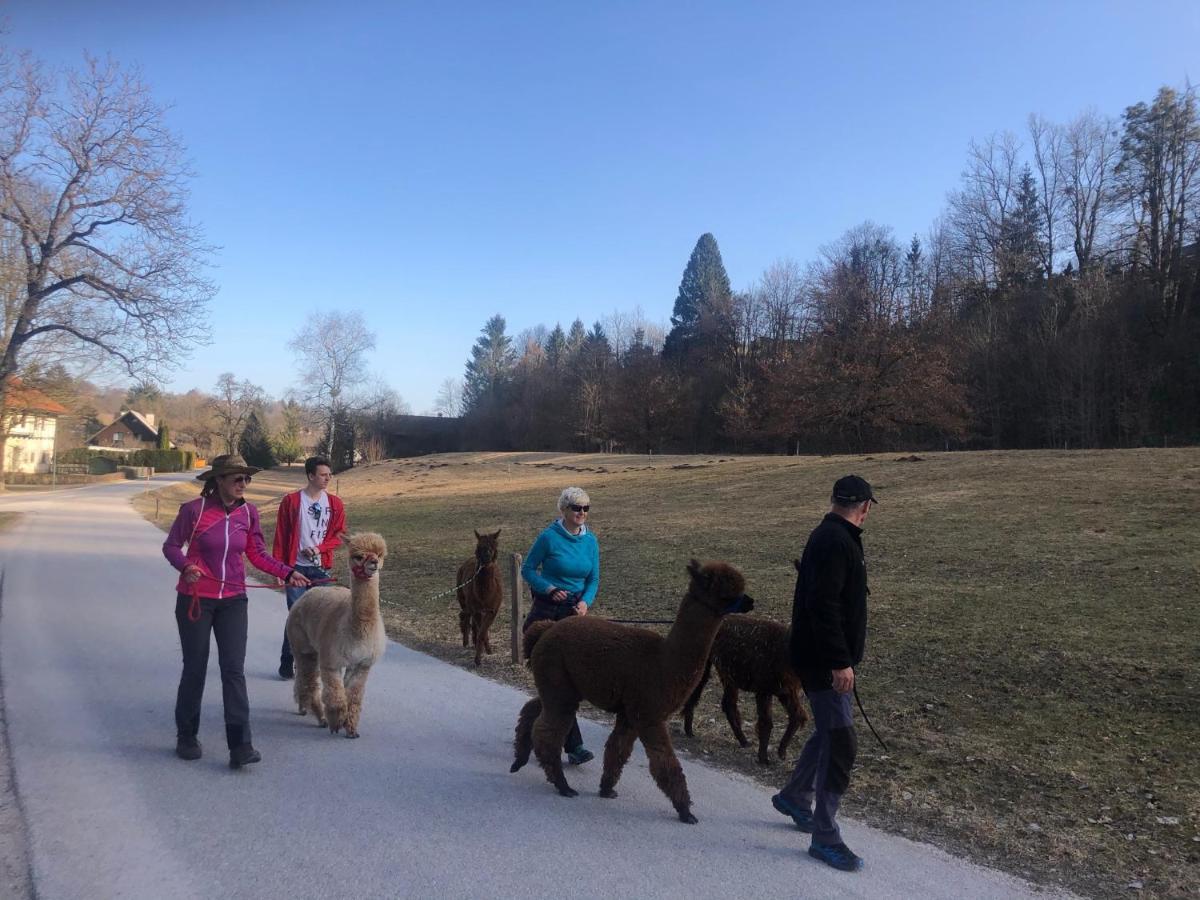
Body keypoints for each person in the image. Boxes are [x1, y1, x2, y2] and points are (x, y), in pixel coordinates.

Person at [162, 454, 310, 769]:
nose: (244, 484)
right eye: (237, 479)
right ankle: (186, 736)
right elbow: (172, 547)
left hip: (233, 599)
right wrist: (186, 566)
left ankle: (240, 746)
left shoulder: (249, 513)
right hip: (195, 600)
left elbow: (256, 553)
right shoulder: (194, 511)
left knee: (233, 671)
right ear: (219, 480)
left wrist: (287, 572)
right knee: (195, 669)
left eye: (247, 479)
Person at [772, 474, 877, 872]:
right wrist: (839, 662)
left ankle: (796, 797)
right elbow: (823, 607)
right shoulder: (835, 541)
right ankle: (825, 836)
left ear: (835, 500)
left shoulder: (834, 536)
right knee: (841, 741)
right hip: (823, 660)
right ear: (865, 507)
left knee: (829, 731)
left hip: (820, 656)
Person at [520, 486, 600, 765]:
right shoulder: (548, 537)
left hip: (574, 615)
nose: (582, 513)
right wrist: (549, 587)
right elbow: (528, 569)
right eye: (576, 507)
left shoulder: (591, 541)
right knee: (558, 683)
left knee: (567, 683)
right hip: (546, 613)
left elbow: (593, 579)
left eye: (586, 508)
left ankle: (533, 728)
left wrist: (585, 603)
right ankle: (574, 746)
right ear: (564, 509)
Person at [271, 456, 347, 679]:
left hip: (320, 569)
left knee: (321, 618)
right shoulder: (292, 501)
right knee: (297, 616)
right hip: (295, 569)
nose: (328, 478)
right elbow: (281, 535)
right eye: (323, 475)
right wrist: (279, 569)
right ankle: (288, 661)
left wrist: (319, 549)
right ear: (310, 476)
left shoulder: (334, 504)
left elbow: (339, 535)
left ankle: (312, 666)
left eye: (329, 474)